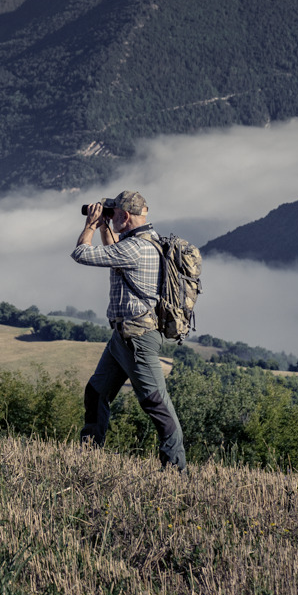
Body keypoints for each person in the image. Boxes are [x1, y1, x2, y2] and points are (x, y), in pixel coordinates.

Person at [71, 190, 187, 472]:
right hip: (123, 337)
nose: (108, 216)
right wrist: (105, 228)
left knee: (155, 403)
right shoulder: (147, 241)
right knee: (96, 392)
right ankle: (88, 453)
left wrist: (90, 225)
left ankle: (176, 468)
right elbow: (115, 255)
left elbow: (81, 254)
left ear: (125, 215)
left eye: (113, 213)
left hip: (137, 339)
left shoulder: (135, 248)